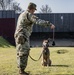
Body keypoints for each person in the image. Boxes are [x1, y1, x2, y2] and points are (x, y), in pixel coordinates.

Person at [14, 2, 55, 75]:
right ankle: (21, 71)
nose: (34, 11)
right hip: (22, 36)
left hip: (20, 36)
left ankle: (21, 70)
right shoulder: (29, 15)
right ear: (31, 9)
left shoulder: (22, 14)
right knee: (23, 53)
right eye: (34, 10)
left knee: (21, 52)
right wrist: (49, 24)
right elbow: (38, 21)